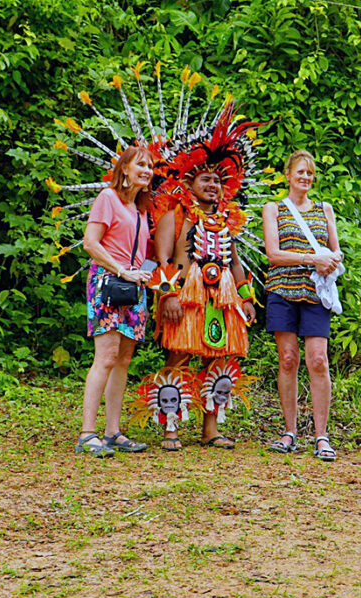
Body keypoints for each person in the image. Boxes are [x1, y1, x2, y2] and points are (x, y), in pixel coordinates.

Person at [149, 101, 262, 452]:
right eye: (206, 179)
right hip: (186, 295)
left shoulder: (229, 220)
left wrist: (246, 298)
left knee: (218, 359)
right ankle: (171, 429)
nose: (213, 185)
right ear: (190, 181)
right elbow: (161, 257)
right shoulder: (176, 214)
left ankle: (210, 429)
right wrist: (167, 296)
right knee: (178, 357)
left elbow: (237, 262)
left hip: (222, 297)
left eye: (217, 180)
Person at [76, 146, 158, 457]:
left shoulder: (141, 209)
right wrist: (121, 268)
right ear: (123, 169)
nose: (147, 170)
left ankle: (112, 431)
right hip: (108, 282)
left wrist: (142, 273)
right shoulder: (107, 198)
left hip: (133, 286)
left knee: (123, 359)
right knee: (106, 356)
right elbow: (90, 243)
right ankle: (87, 433)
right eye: (140, 164)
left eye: (150, 166)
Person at [262, 150, 344, 461]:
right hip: (282, 291)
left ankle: (322, 435)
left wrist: (330, 262)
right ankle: (290, 431)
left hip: (315, 294)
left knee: (318, 360)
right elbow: (273, 254)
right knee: (287, 359)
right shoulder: (274, 209)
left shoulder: (325, 209)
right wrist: (312, 258)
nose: (305, 178)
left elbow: (337, 253)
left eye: (309, 173)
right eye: (300, 172)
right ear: (288, 175)